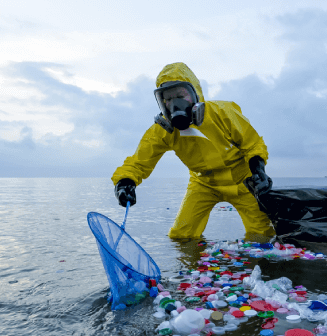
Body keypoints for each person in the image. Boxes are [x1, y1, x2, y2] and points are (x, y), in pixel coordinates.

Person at [111, 62, 275, 239]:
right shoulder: (163, 131)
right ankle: (191, 263)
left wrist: (259, 171)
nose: (175, 104)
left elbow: (253, 144)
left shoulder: (223, 113)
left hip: (243, 181)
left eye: (181, 96)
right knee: (181, 236)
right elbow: (139, 162)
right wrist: (125, 182)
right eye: (168, 99)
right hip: (202, 184)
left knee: (263, 235)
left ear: (194, 93)